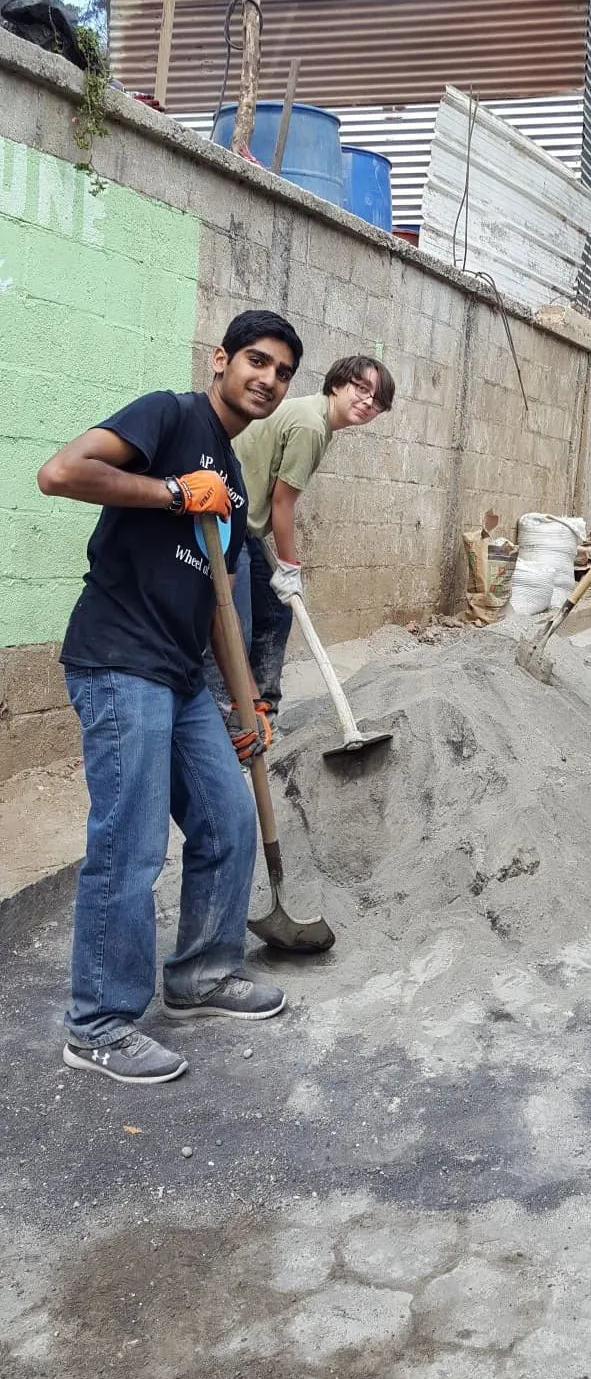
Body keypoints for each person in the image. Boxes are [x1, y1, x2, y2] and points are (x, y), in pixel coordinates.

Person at [37, 310, 305, 1084]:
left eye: (283, 373)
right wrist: (171, 491)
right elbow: (59, 473)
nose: (269, 379)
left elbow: (220, 603)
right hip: (120, 660)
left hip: (184, 676)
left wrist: (247, 702)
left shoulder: (232, 475)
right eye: (257, 361)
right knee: (131, 842)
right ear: (221, 359)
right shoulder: (169, 416)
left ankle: (202, 973)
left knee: (227, 815)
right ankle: (97, 1023)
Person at [212, 353, 396, 720]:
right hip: (226, 524)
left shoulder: (315, 420)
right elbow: (282, 503)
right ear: (337, 383)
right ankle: (230, 721)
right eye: (361, 389)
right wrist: (290, 566)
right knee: (235, 632)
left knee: (276, 613)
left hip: (247, 526)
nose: (367, 402)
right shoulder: (311, 424)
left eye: (377, 401)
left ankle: (262, 709)